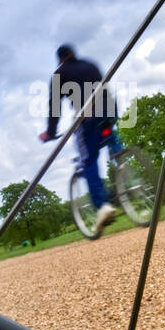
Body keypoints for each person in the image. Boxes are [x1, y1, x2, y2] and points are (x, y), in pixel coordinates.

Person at [39, 44, 124, 233]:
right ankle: (121, 158)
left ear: (60, 59)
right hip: (111, 109)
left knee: (88, 160)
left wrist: (50, 132)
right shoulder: (90, 64)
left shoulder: (59, 75)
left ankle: (103, 206)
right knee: (108, 132)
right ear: (73, 54)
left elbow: (55, 108)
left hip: (89, 116)